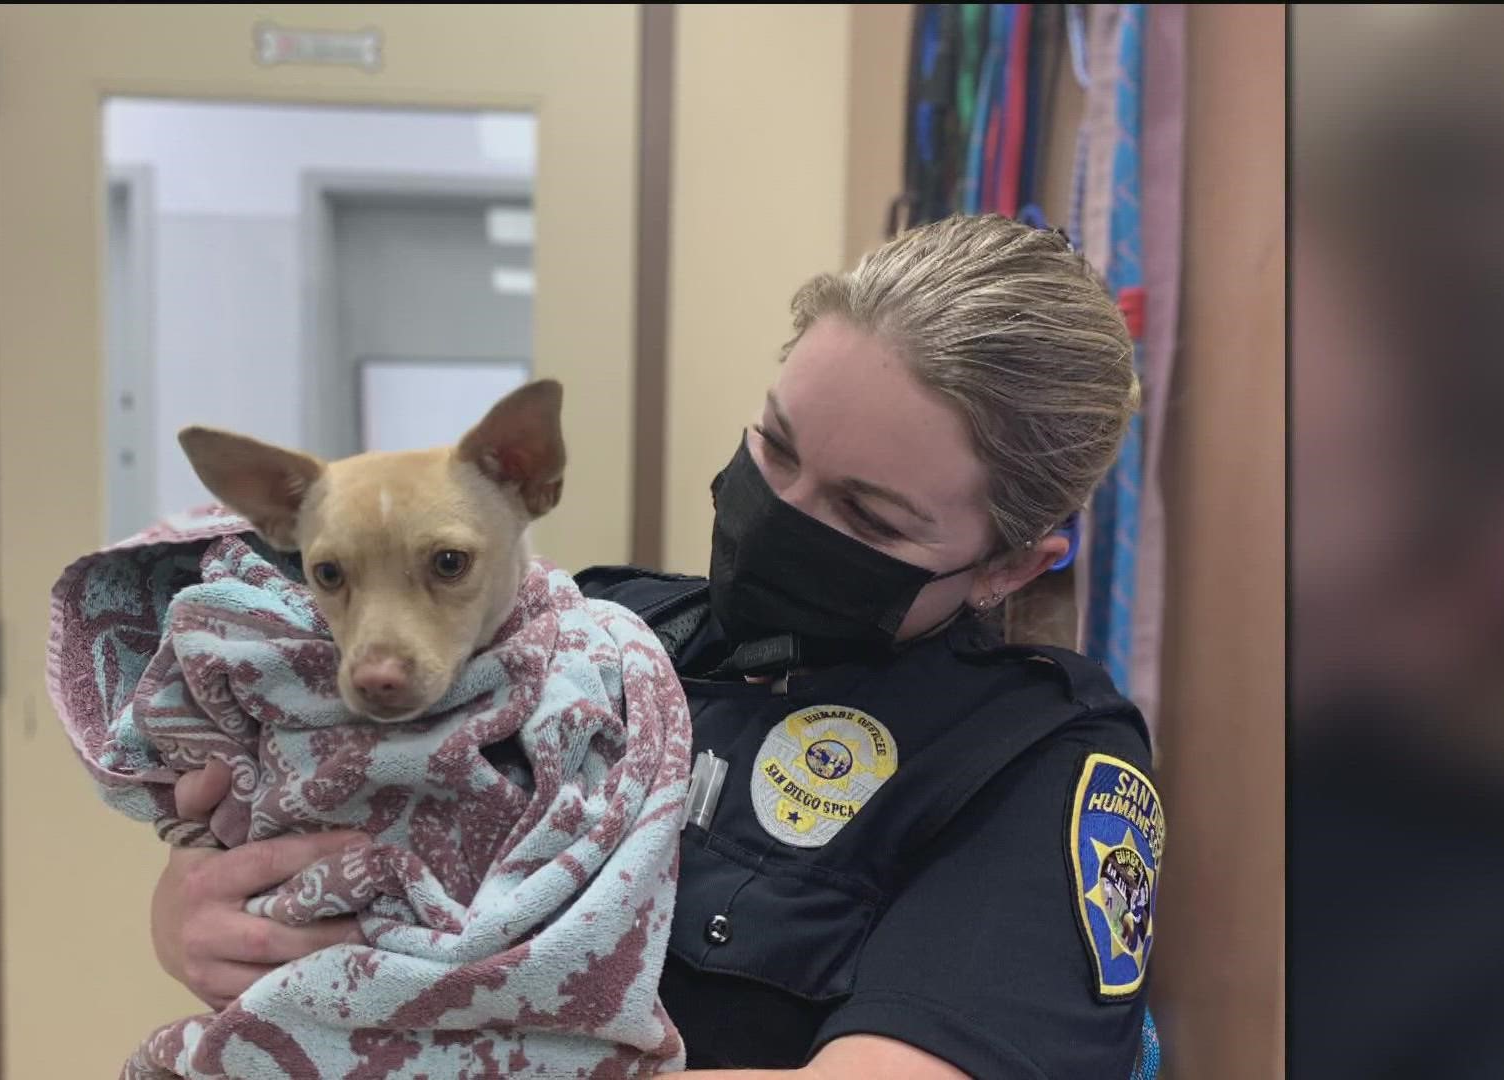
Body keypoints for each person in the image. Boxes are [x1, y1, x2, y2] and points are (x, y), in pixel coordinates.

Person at [148, 214, 1158, 1078]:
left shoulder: (1035, 765)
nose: (780, 514)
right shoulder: (595, 633)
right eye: (779, 446)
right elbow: (305, 834)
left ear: (1009, 568)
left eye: (868, 515)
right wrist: (200, 918)